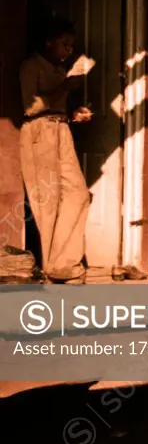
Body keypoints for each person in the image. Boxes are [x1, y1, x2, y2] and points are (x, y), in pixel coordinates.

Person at [19, 17, 93, 283]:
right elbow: (30, 106)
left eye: (71, 46)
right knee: (47, 201)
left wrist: (75, 114)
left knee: (78, 193)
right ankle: (55, 266)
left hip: (61, 129)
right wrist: (65, 87)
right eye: (64, 45)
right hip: (39, 132)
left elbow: (56, 105)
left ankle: (64, 262)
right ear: (49, 42)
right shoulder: (32, 66)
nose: (68, 51)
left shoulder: (58, 70)